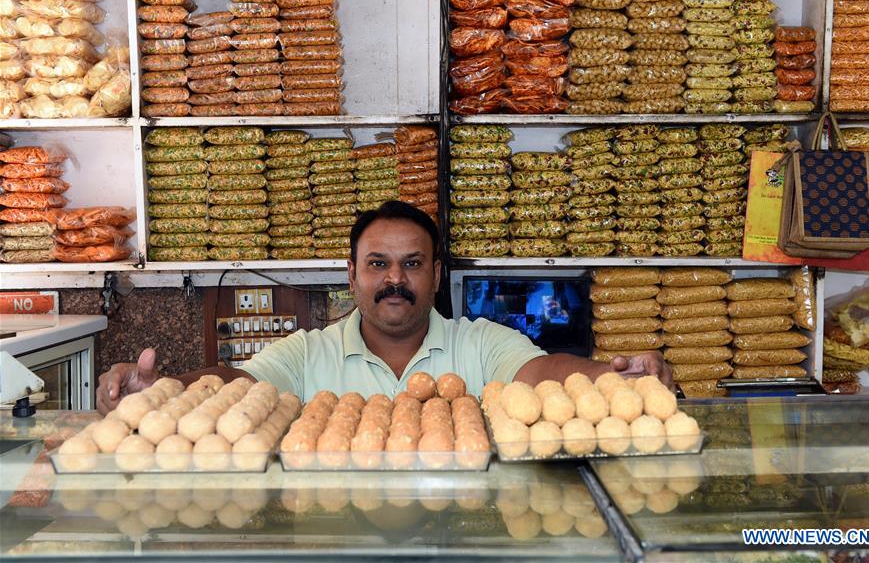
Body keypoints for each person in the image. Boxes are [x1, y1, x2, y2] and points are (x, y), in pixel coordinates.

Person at [97, 201, 672, 414]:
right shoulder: (308, 353)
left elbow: (543, 372)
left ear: (437, 275)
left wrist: (614, 377)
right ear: (350, 275)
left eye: (413, 264)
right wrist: (168, 388)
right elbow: (234, 382)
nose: (395, 280)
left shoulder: (479, 342)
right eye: (377, 264)